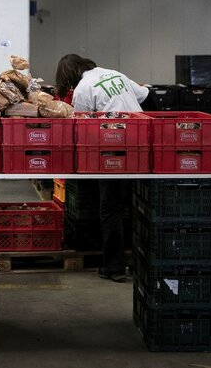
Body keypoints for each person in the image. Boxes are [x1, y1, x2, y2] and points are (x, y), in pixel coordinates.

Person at [55, 54, 149, 282]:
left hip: (113, 151)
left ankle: (114, 267)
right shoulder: (116, 74)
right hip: (142, 146)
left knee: (111, 210)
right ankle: (141, 264)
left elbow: (80, 125)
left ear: (69, 75)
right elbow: (145, 94)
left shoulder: (83, 88)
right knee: (141, 207)